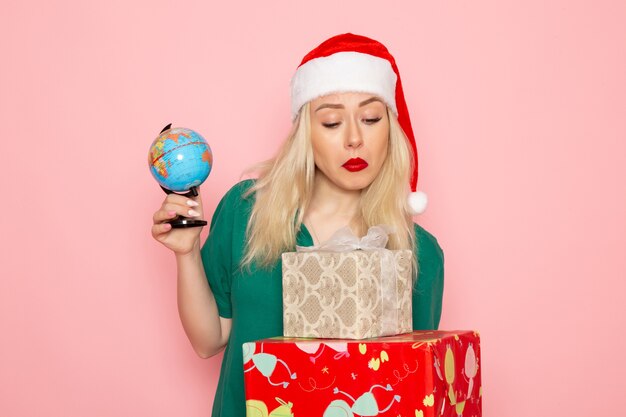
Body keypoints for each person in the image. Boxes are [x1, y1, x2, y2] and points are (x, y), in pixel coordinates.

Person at [151, 33, 444, 417]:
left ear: (390, 127)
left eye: (371, 119)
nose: (355, 138)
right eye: (332, 122)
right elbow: (208, 341)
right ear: (306, 132)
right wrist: (187, 253)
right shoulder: (246, 212)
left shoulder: (418, 252)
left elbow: (409, 388)